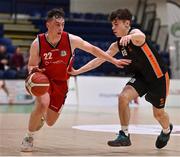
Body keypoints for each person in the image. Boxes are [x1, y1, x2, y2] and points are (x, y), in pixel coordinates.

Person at [20, 8, 131, 152]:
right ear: (48, 24)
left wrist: (113, 60)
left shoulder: (71, 40)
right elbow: (32, 64)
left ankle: (41, 118)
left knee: (50, 121)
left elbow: (93, 49)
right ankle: (29, 136)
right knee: (42, 104)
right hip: (45, 80)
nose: (60, 28)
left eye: (62, 24)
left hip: (62, 83)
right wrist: (33, 72)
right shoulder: (38, 43)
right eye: (57, 24)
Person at [69, 8, 173, 149]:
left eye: (116, 24)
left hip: (158, 78)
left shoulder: (135, 34)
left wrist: (130, 37)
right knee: (123, 97)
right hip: (141, 78)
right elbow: (99, 59)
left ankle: (166, 130)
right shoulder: (116, 45)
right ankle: (124, 135)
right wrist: (78, 71)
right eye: (112, 25)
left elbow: (141, 36)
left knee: (159, 114)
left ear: (126, 23)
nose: (113, 28)